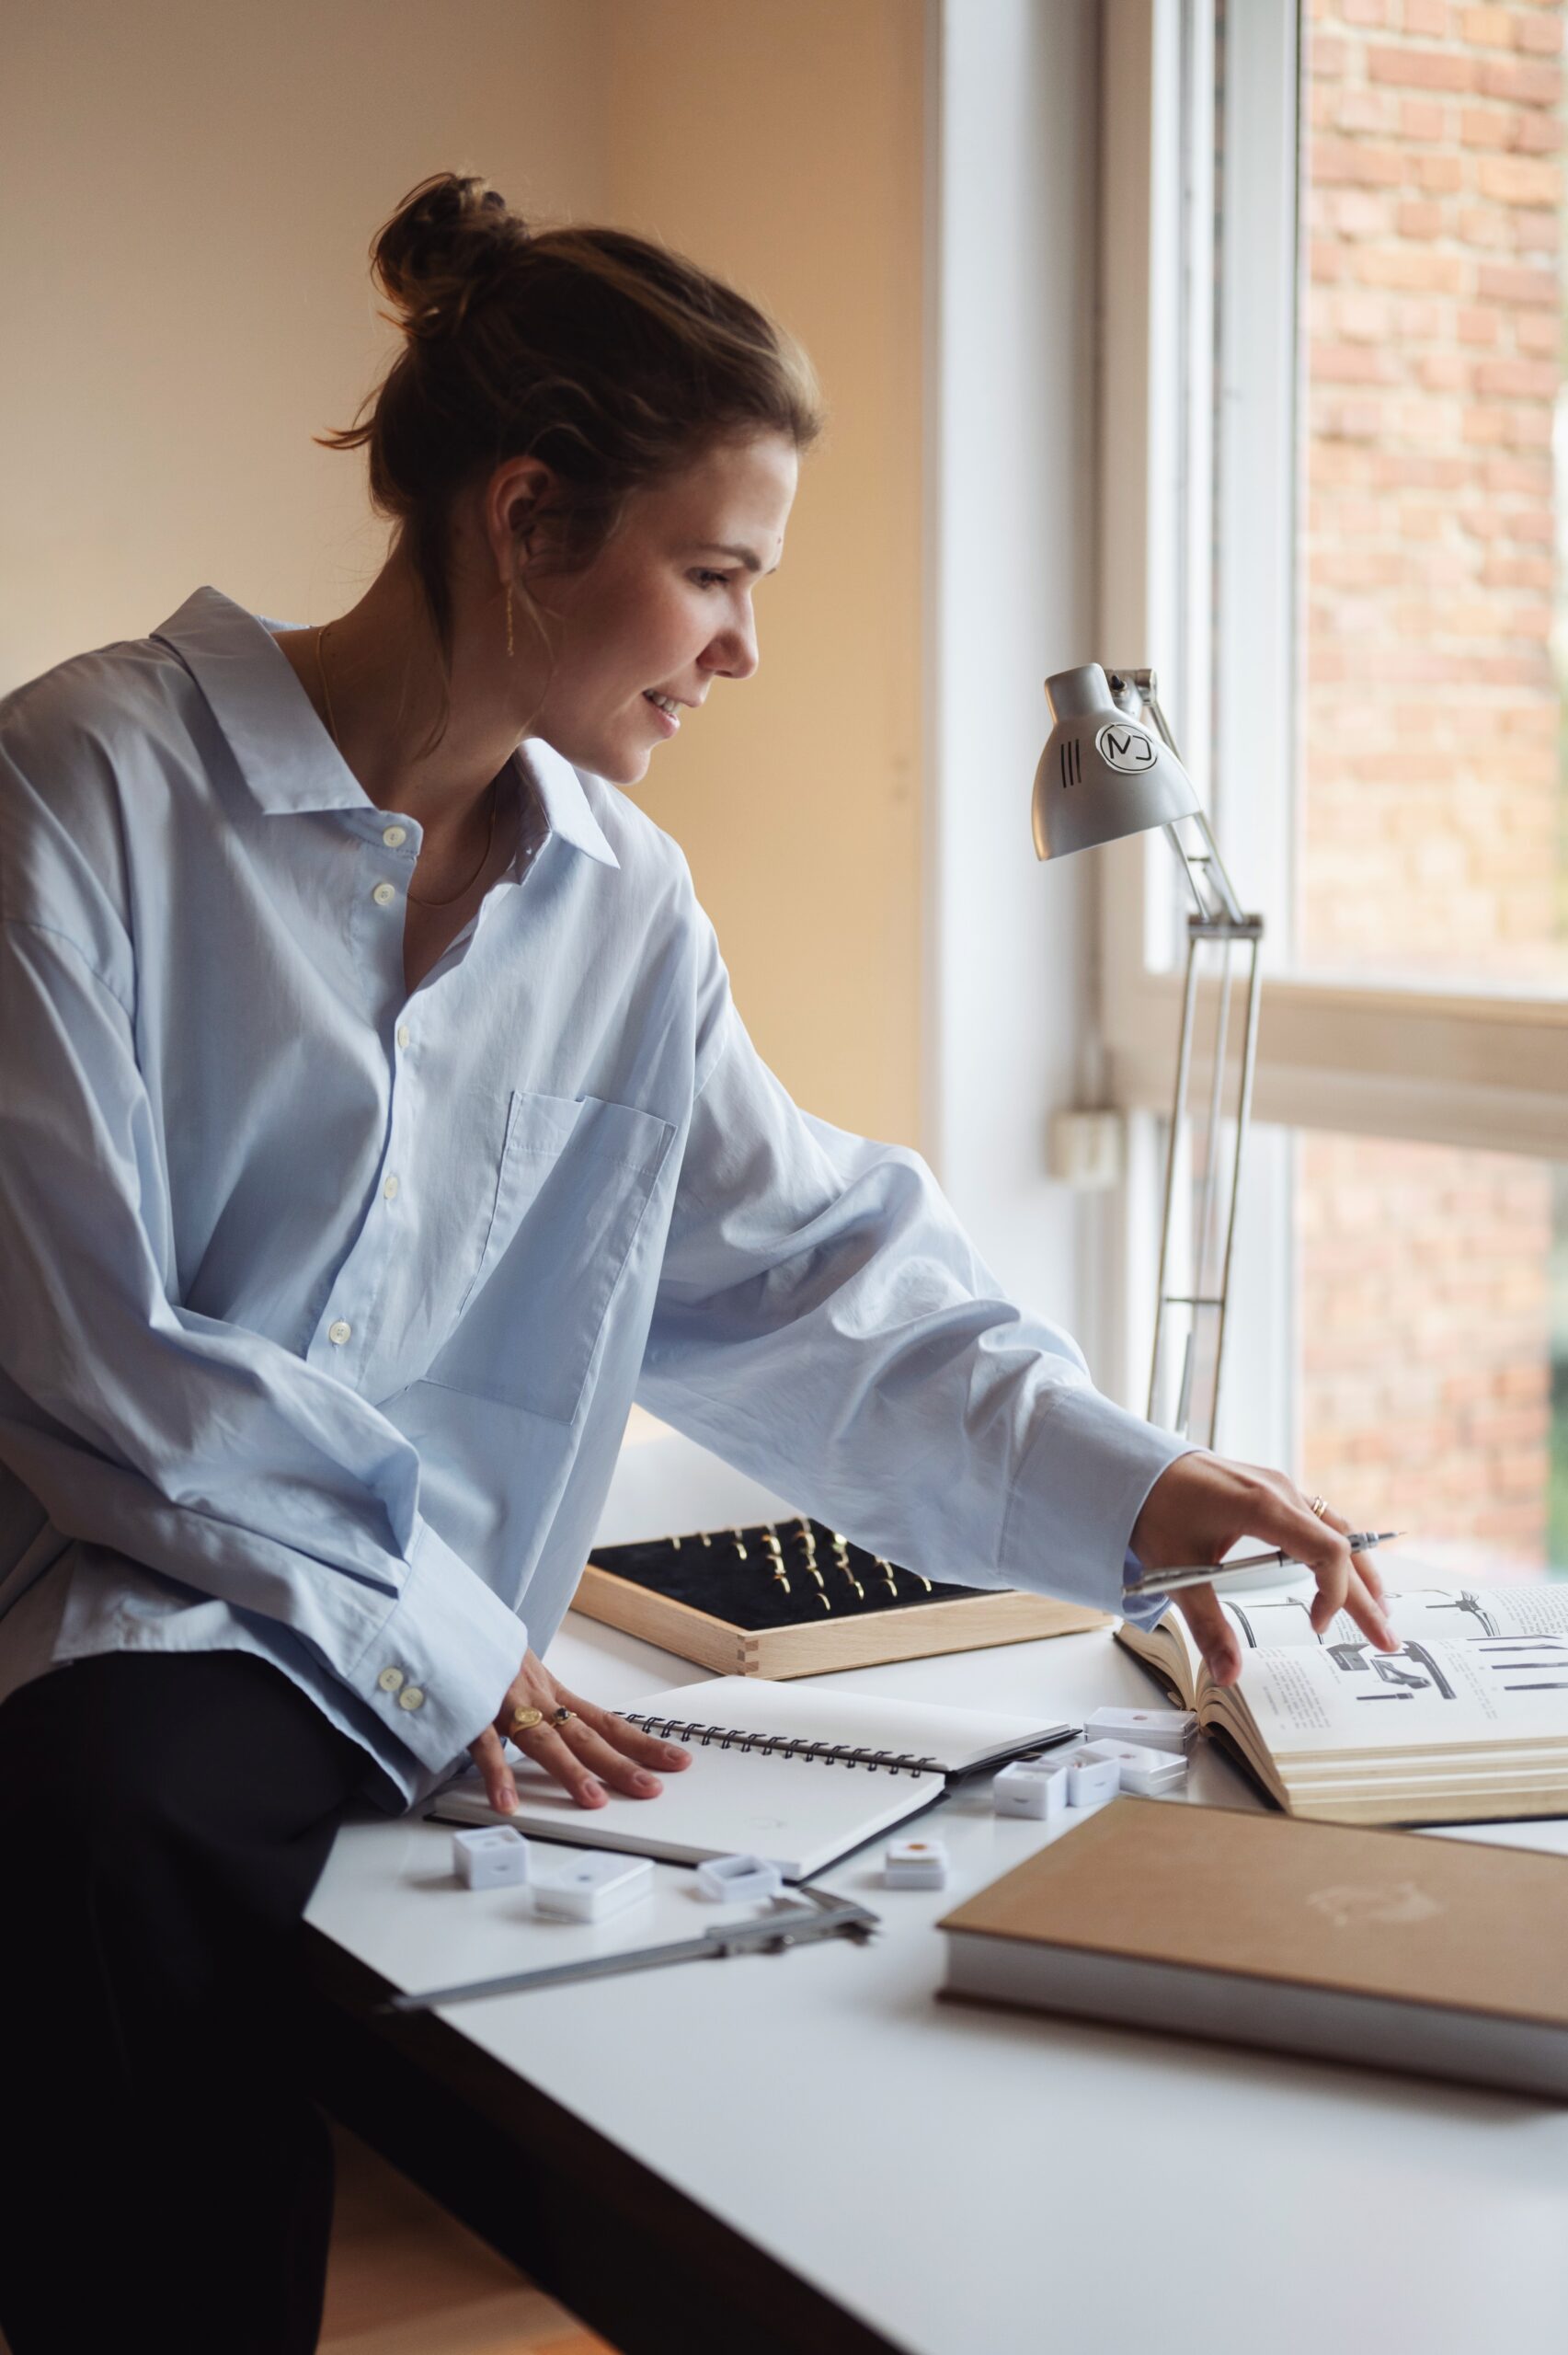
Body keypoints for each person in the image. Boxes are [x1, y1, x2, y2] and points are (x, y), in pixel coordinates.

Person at [0, 171, 1395, 2353]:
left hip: (483, 1675)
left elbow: (813, 1275)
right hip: (148, 1623)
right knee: (113, 1830)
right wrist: (444, 1634)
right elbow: (94, 1351)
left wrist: (1139, 1481)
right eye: (716, 573)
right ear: (526, 517)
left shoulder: (624, 905)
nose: (745, 649)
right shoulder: (81, 784)